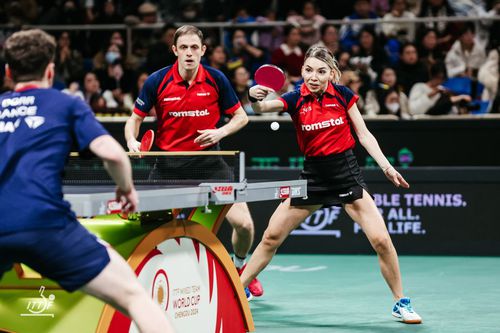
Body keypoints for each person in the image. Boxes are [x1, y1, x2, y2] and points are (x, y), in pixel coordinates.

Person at [0, 29, 174, 333]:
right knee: (135, 298)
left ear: (8, 72)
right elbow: (115, 156)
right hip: (46, 225)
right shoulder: (65, 104)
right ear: (51, 71)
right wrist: (126, 188)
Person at [242, 45, 423, 324]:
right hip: (313, 177)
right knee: (270, 238)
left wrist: (386, 166)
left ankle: (401, 303)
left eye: (321, 71)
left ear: (331, 74)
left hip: (346, 175)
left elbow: (364, 135)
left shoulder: (343, 95)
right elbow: (263, 108)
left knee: (381, 240)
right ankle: (236, 289)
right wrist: (254, 97)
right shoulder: (294, 98)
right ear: (302, 71)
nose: (313, 76)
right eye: (308, 70)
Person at [124, 25, 263, 299]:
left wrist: (219, 132)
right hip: (167, 166)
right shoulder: (157, 80)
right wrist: (131, 141)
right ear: (175, 50)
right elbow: (134, 120)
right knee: (146, 231)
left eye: (194, 47)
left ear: (203, 50)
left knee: (244, 225)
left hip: (210, 164)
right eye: (184, 48)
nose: (189, 53)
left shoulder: (216, 79)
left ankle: (239, 268)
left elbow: (241, 117)